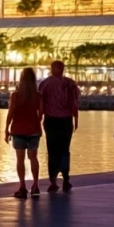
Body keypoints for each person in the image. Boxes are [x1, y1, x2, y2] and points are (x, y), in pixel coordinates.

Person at [38, 60, 80, 192]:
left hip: (50, 121)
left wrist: (39, 119)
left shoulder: (44, 84)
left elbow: (40, 104)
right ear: (63, 69)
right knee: (64, 150)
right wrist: (76, 120)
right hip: (66, 121)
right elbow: (75, 103)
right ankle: (66, 179)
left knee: (52, 150)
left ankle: (53, 181)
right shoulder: (70, 83)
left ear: (51, 69)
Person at [4, 67, 43, 198]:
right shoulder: (38, 95)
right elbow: (41, 114)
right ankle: (36, 185)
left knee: (20, 159)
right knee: (33, 158)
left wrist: (6, 129)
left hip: (18, 130)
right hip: (33, 130)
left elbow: (11, 113)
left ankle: (22, 186)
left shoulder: (15, 95)